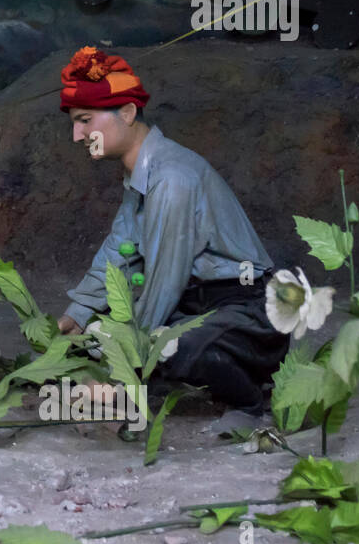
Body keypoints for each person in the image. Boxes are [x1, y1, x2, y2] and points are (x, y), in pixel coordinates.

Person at [55, 46, 289, 416]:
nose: (76, 134)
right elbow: (121, 247)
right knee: (97, 333)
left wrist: (125, 372)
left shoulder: (172, 178)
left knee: (166, 346)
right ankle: (181, 367)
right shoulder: (143, 170)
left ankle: (251, 402)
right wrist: (78, 312)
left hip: (248, 309)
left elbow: (166, 277)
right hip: (195, 304)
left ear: (128, 113)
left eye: (84, 120)